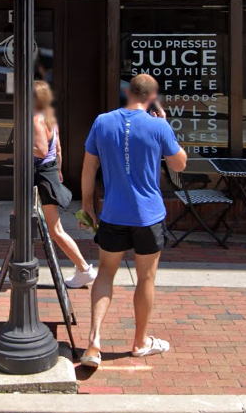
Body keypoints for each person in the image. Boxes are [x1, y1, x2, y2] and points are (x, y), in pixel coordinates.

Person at [79, 74, 187, 368]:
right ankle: (140, 342)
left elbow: (89, 169)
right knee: (146, 278)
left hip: (113, 213)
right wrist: (164, 123)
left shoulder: (102, 122)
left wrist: (88, 205)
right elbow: (180, 163)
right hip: (148, 216)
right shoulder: (158, 125)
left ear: (127, 92)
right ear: (152, 97)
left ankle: (94, 343)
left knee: (104, 274)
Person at [0, 81, 97, 288]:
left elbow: (39, 150)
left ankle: (84, 269)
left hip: (37, 179)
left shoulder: (35, 120)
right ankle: (82, 269)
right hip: (45, 177)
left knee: (34, 226)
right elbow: (57, 150)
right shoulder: (49, 119)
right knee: (31, 224)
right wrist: (58, 171)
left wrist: (21, 144)